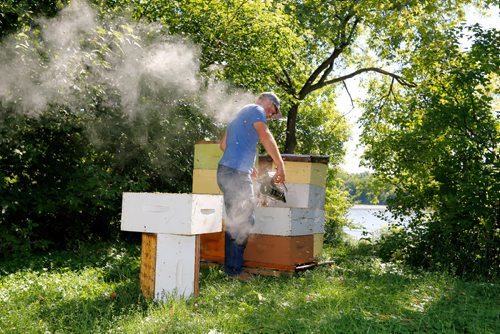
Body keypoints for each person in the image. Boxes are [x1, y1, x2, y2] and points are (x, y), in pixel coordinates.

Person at [217, 92, 286, 280]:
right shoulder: (256, 110)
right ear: (269, 103)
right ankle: (234, 270)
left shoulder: (239, 115)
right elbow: (266, 135)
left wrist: (248, 166)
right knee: (245, 220)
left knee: (237, 220)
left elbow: (223, 145)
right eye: (273, 111)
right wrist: (280, 164)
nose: (271, 115)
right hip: (236, 174)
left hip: (226, 171)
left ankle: (231, 269)